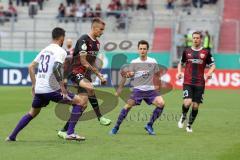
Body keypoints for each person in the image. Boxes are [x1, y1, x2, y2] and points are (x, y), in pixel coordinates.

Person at [6, 27, 87, 141]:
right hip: (51, 88)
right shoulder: (60, 51)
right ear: (62, 38)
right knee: (80, 102)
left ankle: (12, 136)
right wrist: (62, 88)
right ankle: (70, 133)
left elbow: (31, 67)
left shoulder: (45, 49)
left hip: (40, 89)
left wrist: (34, 86)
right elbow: (56, 67)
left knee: (32, 113)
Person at [58, 18, 111, 139]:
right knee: (90, 87)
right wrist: (99, 75)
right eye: (101, 29)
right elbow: (83, 61)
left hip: (85, 74)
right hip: (75, 71)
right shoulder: (83, 39)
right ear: (94, 28)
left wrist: (94, 73)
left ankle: (64, 130)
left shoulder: (97, 43)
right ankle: (100, 117)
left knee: (83, 104)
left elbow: (91, 62)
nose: (102, 32)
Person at [110, 40, 165, 135]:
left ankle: (149, 125)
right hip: (138, 90)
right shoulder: (134, 62)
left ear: (147, 50)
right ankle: (116, 127)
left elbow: (157, 75)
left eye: (144, 49)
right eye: (140, 49)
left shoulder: (153, 61)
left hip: (151, 91)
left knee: (161, 103)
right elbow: (126, 76)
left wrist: (158, 88)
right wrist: (119, 89)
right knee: (127, 106)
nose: (142, 50)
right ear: (138, 50)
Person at [177, 31, 216, 133]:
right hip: (188, 82)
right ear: (192, 39)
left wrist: (209, 73)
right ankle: (183, 115)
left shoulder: (206, 52)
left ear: (201, 39)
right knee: (187, 102)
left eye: (198, 38)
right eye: (194, 38)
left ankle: (189, 125)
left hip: (200, 83)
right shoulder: (187, 51)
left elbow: (212, 65)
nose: (195, 39)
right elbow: (180, 63)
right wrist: (179, 72)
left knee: (195, 105)